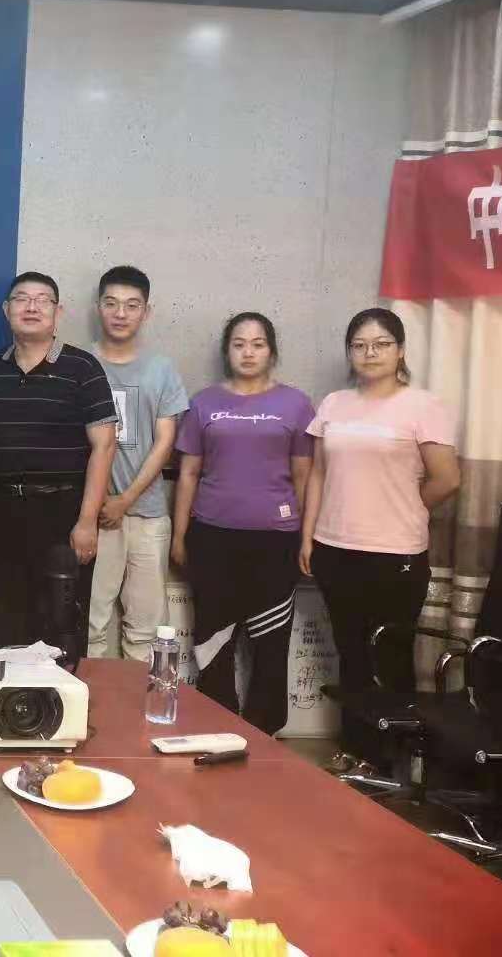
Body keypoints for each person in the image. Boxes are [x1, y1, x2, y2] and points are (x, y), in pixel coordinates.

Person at [300, 308, 459, 760]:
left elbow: (447, 479)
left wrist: (406, 506)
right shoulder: (334, 403)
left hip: (396, 554)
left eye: (381, 344)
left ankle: (391, 761)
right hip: (334, 549)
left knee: (390, 657)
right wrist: (308, 536)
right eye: (359, 345)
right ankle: (355, 753)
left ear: (400, 350)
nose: (370, 353)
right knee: (351, 655)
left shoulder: (423, 405)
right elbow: (318, 475)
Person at [172, 312, 314, 735]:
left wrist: (307, 537)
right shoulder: (204, 403)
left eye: (257, 344)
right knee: (213, 638)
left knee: (270, 639)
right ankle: (214, 725)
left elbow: (304, 476)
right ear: (227, 351)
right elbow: (188, 474)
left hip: (276, 541)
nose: (248, 352)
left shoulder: (296, 404)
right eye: (238, 344)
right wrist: (180, 536)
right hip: (212, 538)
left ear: (271, 351)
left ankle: (264, 730)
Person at [0, 272, 117, 653]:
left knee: (60, 625)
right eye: (22, 299)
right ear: (7, 309)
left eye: (42, 300)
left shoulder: (83, 368)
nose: (31, 307)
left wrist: (87, 521)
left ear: (58, 311)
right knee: (2, 625)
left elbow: (104, 447)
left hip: (61, 514)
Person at [88, 266, 189, 661]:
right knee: (90, 625)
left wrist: (125, 499)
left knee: (146, 630)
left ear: (146, 312)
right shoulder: (81, 364)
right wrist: (100, 504)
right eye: (111, 303)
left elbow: (165, 442)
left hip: (147, 514)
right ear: (99, 307)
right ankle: (92, 701)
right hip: (94, 516)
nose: (120, 313)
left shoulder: (161, 369)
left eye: (132, 305)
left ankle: (136, 702)